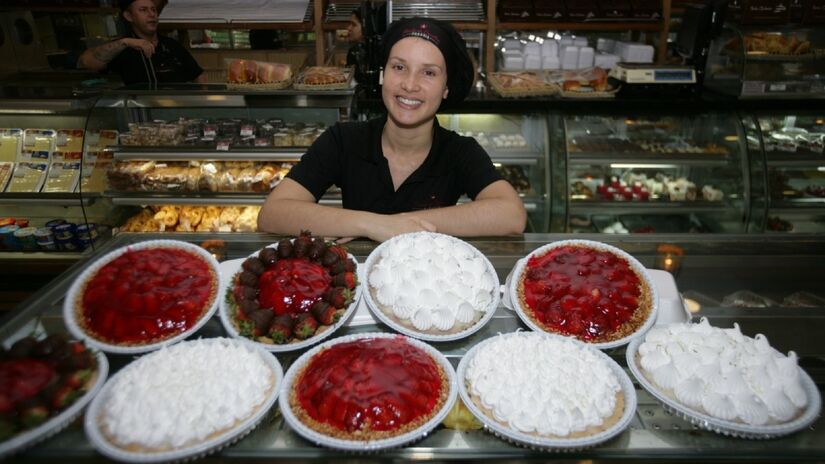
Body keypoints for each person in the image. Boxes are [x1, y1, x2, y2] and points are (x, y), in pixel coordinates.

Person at [258, 17, 527, 242]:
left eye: (429, 73)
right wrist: (371, 225)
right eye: (399, 67)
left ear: (446, 89)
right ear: (383, 74)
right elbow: (273, 214)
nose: (410, 85)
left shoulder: (459, 152)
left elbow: (511, 215)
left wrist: (398, 225)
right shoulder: (344, 140)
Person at [78, 0, 205, 85]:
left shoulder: (172, 45)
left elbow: (198, 76)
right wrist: (125, 43)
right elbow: (86, 62)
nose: (151, 15)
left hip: (174, 117)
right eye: (143, 10)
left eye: (153, 10)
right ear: (129, 16)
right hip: (137, 117)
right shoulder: (121, 47)